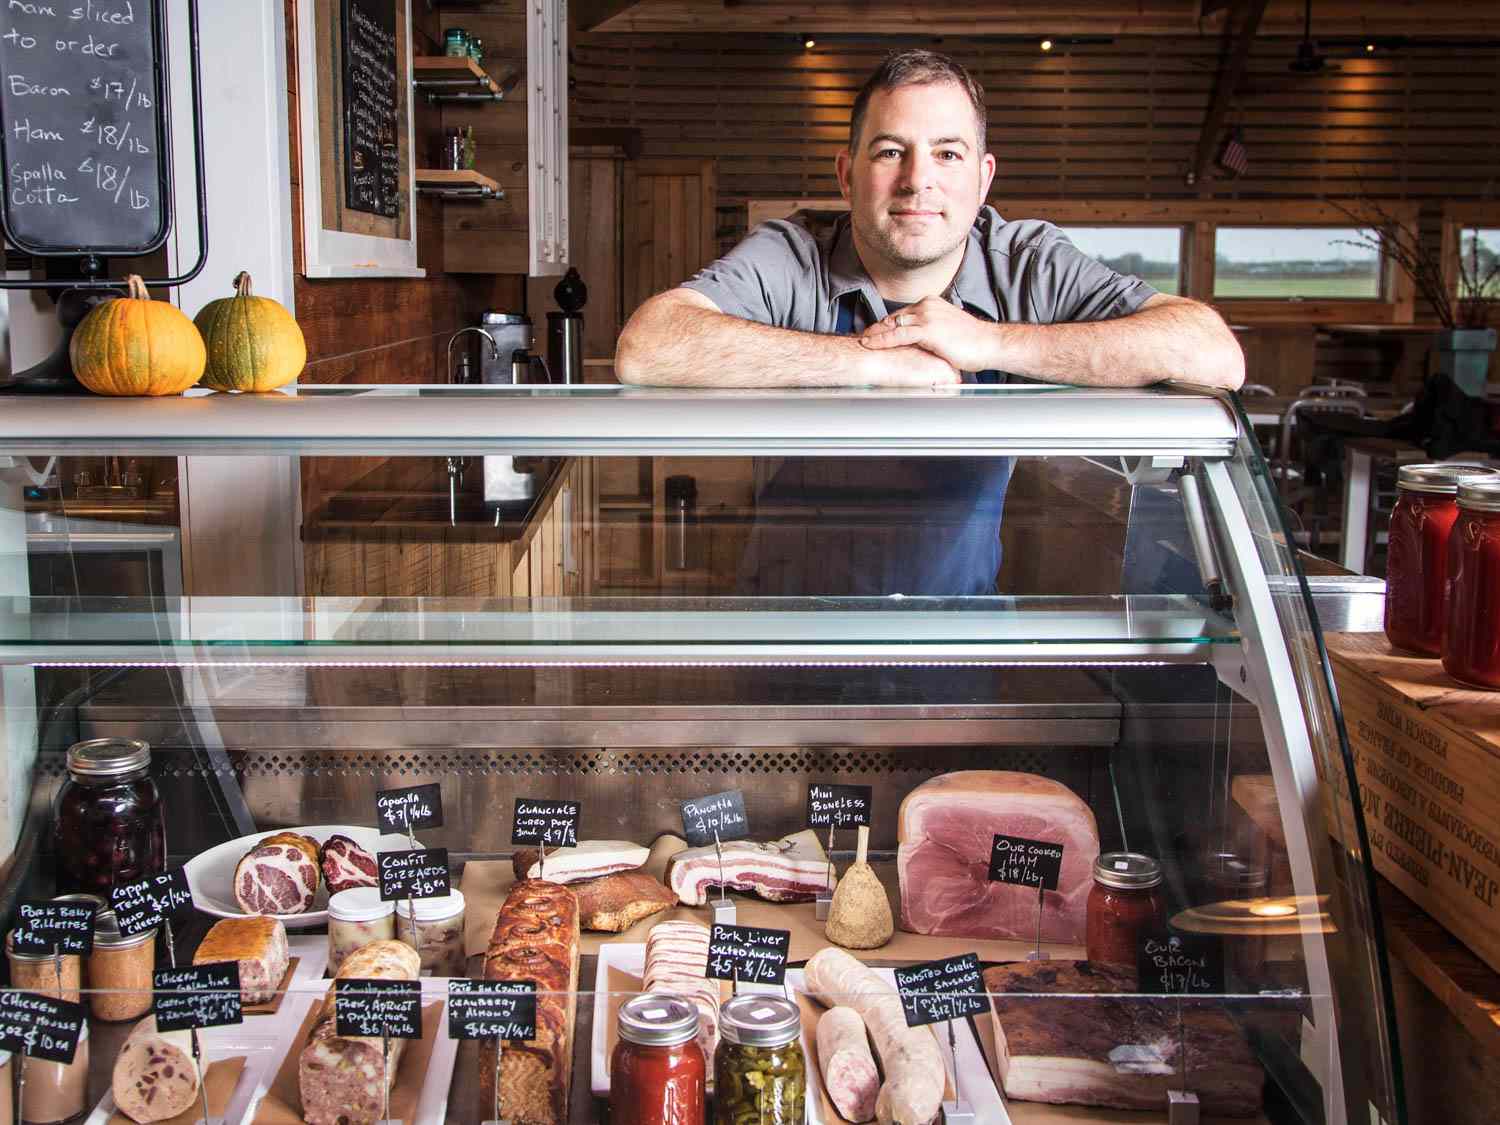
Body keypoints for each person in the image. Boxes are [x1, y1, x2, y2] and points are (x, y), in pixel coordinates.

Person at [615, 49, 1245, 595]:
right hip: (789, 629)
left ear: (983, 177)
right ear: (847, 175)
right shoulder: (791, 254)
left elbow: (1212, 353)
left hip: (957, 631)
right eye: (891, 152)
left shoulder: (1027, 263)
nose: (918, 181)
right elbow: (647, 347)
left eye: (947, 153)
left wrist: (988, 342)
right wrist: (871, 363)